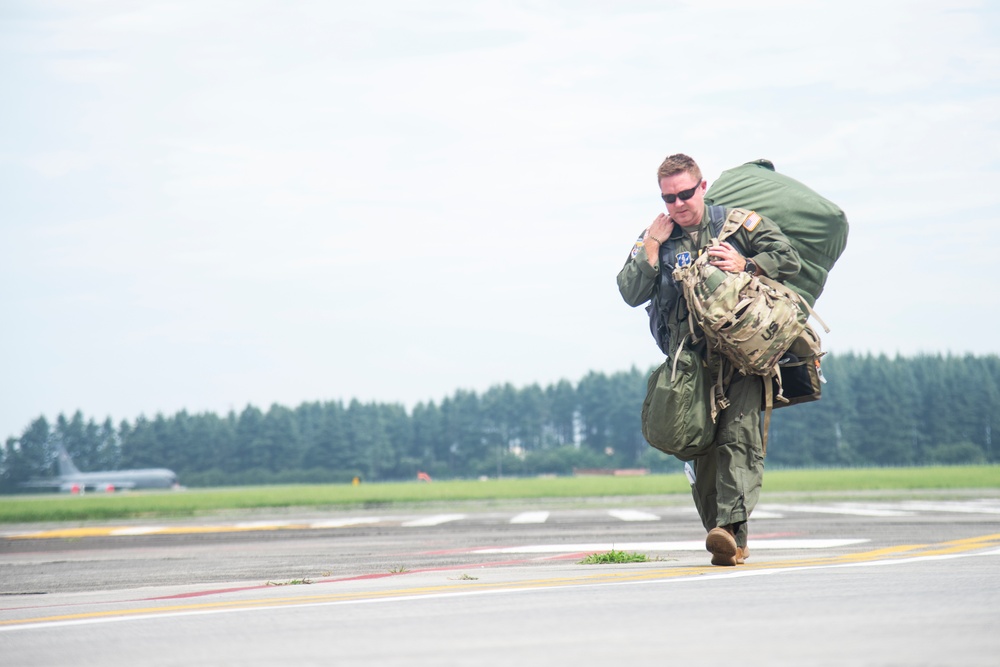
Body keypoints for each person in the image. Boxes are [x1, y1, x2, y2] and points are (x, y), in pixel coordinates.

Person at [617, 153, 801, 566]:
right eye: (669, 198)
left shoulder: (737, 226)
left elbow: (789, 258)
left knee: (739, 438)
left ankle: (730, 530)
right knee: (700, 449)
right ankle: (727, 537)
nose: (678, 204)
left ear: (702, 187)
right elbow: (630, 291)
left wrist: (747, 263)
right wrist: (650, 244)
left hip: (741, 355)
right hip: (689, 364)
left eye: (685, 193)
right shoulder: (656, 239)